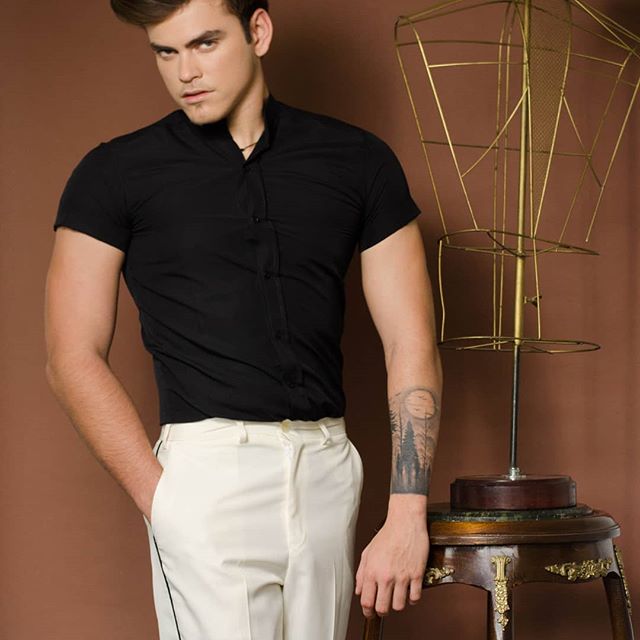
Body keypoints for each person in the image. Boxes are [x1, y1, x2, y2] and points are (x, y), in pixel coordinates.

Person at [44, 0, 443, 638]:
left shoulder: (359, 161)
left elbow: (410, 343)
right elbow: (71, 356)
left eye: (204, 43)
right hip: (204, 478)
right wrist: (161, 499)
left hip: (327, 469)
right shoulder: (114, 174)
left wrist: (406, 512)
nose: (184, 72)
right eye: (165, 52)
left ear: (258, 31)